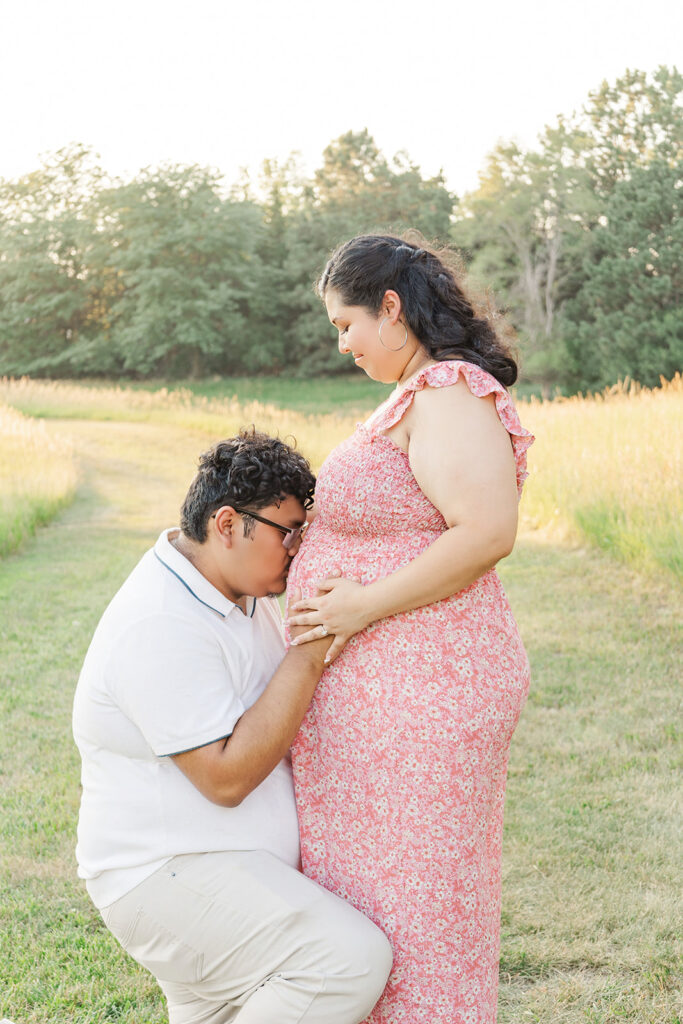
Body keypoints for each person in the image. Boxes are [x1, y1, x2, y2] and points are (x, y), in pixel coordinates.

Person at [285, 235, 535, 1024]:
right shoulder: (417, 392)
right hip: (392, 704)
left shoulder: (449, 390)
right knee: (381, 908)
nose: (343, 343)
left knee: (418, 916)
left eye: (345, 322)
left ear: (390, 307)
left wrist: (358, 606)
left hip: (424, 702)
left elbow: (486, 531)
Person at [72, 429, 392, 1024]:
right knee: (344, 959)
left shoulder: (239, 588)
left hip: (222, 870)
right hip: (166, 876)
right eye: (286, 532)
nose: (298, 548)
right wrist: (311, 646)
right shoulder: (158, 622)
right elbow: (224, 779)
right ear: (226, 524)